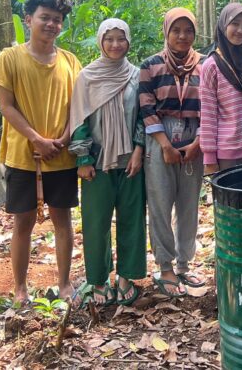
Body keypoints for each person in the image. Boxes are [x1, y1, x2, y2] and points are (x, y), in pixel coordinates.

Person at [0, 0, 82, 304]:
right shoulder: (9, 59)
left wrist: (64, 139)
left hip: (62, 155)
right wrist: (37, 138)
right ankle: (20, 289)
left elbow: (77, 108)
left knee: (62, 219)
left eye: (57, 20)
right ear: (28, 20)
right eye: (45, 17)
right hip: (23, 155)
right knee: (23, 221)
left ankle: (65, 284)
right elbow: (7, 107)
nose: (51, 24)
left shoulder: (70, 62)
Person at [68, 19, 146, 307]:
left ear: (128, 41)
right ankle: (99, 280)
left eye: (121, 39)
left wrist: (139, 150)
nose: (115, 44)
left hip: (131, 162)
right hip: (97, 162)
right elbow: (79, 119)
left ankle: (126, 276)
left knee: (132, 219)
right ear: (100, 41)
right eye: (109, 39)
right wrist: (83, 158)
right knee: (96, 223)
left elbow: (143, 116)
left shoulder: (137, 75)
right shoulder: (87, 76)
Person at [139, 7, 204, 297]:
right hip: (159, 136)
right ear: (166, 31)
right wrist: (165, 145)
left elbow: (212, 105)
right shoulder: (150, 65)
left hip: (196, 134)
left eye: (188, 30)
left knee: (189, 204)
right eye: (176, 30)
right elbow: (146, 106)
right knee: (161, 204)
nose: (182, 36)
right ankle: (165, 266)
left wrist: (198, 142)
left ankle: (183, 266)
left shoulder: (206, 64)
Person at [200, 3, 242, 176]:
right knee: (232, 202)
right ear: (224, 25)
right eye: (235, 23)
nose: (240, 30)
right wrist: (209, 159)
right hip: (228, 155)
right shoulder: (211, 66)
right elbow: (208, 114)